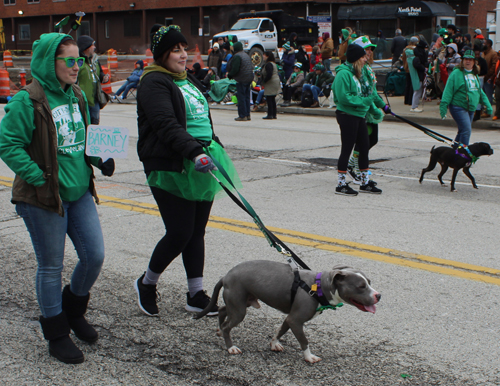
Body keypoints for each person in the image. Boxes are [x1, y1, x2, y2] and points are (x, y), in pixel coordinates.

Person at [0, 33, 115, 364]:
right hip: (43, 199)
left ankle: (74, 310)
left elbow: (80, 141)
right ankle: (56, 333)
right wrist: (38, 178)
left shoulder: (76, 94)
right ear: (50, 62)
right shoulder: (28, 101)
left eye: (79, 60)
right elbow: (8, 145)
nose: (76, 66)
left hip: (78, 193)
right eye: (70, 60)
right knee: (51, 266)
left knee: (93, 256)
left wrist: (99, 158)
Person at [135, 25, 240, 318]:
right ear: (162, 55)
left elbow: (200, 114)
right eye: (175, 50)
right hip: (173, 165)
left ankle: (196, 294)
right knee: (180, 231)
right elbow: (165, 124)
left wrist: (210, 145)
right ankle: (147, 283)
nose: (183, 55)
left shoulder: (185, 78)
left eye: (184, 49)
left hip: (201, 160)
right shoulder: (154, 82)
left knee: (196, 232)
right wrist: (194, 151)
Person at [333, 44, 390, 196]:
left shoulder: (358, 73)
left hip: (359, 115)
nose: (366, 59)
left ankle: (364, 182)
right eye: (363, 57)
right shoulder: (343, 74)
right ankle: (341, 184)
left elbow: (369, 93)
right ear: (355, 59)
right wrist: (365, 102)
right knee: (347, 148)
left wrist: (382, 106)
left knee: (364, 147)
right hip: (347, 115)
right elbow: (344, 98)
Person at [346, 36, 388, 184]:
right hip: (363, 110)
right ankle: (354, 166)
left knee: (372, 139)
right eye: (366, 49)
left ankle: (355, 165)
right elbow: (363, 92)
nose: (369, 52)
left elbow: (372, 92)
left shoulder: (368, 67)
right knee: (364, 141)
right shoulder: (358, 68)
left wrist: (382, 105)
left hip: (371, 109)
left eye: (371, 49)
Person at [440, 50, 492, 146]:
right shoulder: (456, 73)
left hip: (471, 108)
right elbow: (448, 90)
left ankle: (455, 152)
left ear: (474, 62)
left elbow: (479, 92)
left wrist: (488, 105)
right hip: (458, 106)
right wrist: (443, 105)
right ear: (462, 61)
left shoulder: (474, 74)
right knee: (466, 130)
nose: (468, 61)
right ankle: (463, 154)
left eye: (470, 60)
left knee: (462, 131)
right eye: (466, 59)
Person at [77, 35, 109, 124]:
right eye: (92, 45)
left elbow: (100, 72)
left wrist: (103, 77)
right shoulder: (78, 62)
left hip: (95, 100)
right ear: (86, 47)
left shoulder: (95, 60)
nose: (94, 47)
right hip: (82, 101)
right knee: (84, 125)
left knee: (94, 127)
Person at [227, 41, 254, 121]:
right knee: (247, 97)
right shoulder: (246, 55)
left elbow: (235, 68)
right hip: (249, 78)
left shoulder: (237, 56)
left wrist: (230, 75)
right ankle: (248, 114)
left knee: (241, 98)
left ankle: (242, 115)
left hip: (241, 78)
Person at [408, 38, 428, 112]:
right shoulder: (419, 56)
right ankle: (414, 106)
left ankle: (414, 106)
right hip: (418, 75)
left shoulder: (415, 53)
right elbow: (418, 64)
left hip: (418, 75)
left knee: (417, 90)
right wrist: (424, 68)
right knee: (417, 90)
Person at [260, 51, 281, 119]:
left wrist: (264, 81)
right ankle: (274, 114)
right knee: (272, 99)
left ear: (267, 56)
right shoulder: (273, 63)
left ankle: (270, 114)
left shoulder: (268, 64)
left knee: (269, 98)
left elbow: (269, 74)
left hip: (270, 82)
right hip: (275, 81)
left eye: (264, 55)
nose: (263, 56)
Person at [481, 39, 498, 117]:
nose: (483, 44)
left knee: (488, 95)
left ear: (488, 45)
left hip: (489, 78)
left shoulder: (493, 54)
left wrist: (488, 76)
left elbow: (494, 66)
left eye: (484, 43)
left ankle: (488, 111)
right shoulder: (483, 53)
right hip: (482, 77)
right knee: (482, 94)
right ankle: (481, 110)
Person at [402, 36, 418, 105]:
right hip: (413, 68)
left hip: (407, 68)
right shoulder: (415, 49)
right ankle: (411, 101)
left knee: (407, 84)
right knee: (412, 84)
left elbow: (403, 58)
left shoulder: (405, 49)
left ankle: (406, 100)